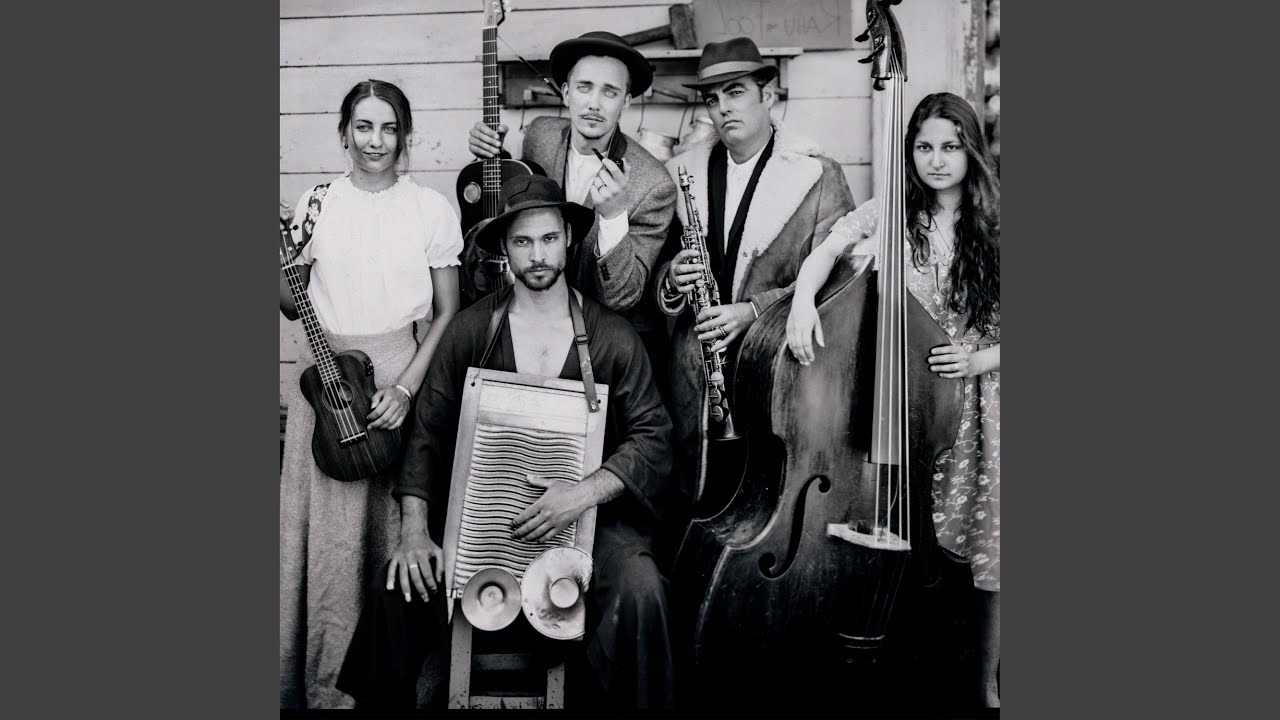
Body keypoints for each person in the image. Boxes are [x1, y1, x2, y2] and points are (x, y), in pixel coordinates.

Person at [336, 175, 676, 711]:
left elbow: (653, 438)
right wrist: (414, 530)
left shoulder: (611, 336)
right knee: (398, 584)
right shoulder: (470, 330)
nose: (537, 255)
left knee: (642, 588)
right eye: (522, 241)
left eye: (549, 239)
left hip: (585, 526)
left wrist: (581, 494)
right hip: (482, 526)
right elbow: (426, 433)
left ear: (569, 238)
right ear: (505, 248)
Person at [786, 91, 1001, 708]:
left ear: (971, 151)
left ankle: (987, 682)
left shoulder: (998, 220)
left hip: (979, 404)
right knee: (906, 536)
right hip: (907, 406)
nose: (937, 160)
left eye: (950, 147)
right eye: (924, 147)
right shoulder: (892, 214)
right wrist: (802, 301)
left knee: (988, 548)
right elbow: (826, 251)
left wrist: (979, 360)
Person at [278, 79, 463, 709]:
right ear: (344, 133)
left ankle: (396, 690)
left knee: (392, 534)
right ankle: (326, 687)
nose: (375, 141)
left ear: (404, 134)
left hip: (395, 375)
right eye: (363, 126)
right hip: (326, 381)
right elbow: (290, 304)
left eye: (388, 128)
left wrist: (407, 388)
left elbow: (447, 311)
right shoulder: (318, 203)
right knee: (330, 544)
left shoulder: (429, 208)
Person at [653, 37, 856, 522]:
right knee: (692, 509)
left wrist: (755, 311)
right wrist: (673, 277)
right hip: (695, 382)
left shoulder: (818, 175)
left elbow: (842, 283)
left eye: (736, 92)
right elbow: (656, 270)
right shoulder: (679, 174)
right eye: (712, 99)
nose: (723, 108)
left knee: (765, 508)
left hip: (776, 374)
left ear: (768, 95)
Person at [467, 31, 677, 393]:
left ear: (626, 102)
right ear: (565, 92)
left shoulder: (654, 185)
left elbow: (622, 298)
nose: (594, 103)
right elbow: (522, 202)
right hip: (532, 329)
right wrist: (492, 155)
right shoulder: (540, 135)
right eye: (584, 87)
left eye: (609, 92)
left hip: (603, 350)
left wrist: (614, 217)